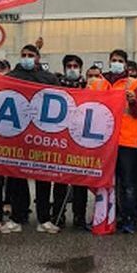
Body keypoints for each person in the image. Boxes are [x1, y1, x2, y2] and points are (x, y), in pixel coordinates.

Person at [4, 44, 60, 231]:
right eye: (24, 55)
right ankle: (17, 217)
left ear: (38, 57)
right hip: (18, 134)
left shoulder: (49, 78)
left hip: (41, 133)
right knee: (17, 177)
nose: (27, 58)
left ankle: (44, 219)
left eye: (30, 55)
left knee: (43, 177)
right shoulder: (11, 77)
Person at [105, 49, 137, 233]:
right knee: (105, 182)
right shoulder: (101, 83)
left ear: (125, 64)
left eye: (120, 60)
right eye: (114, 60)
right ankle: (106, 217)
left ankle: (129, 218)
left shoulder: (135, 84)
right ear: (109, 62)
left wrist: (133, 101)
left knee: (128, 184)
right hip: (105, 140)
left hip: (127, 142)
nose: (116, 63)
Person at [54, 54, 91, 230]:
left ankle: (79, 216)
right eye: (69, 66)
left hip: (81, 138)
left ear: (81, 69)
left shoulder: (88, 87)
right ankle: (58, 214)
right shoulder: (57, 87)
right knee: (60, 180)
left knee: (80, 181)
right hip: (62, 138)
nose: (72, 69)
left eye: (75, 66)